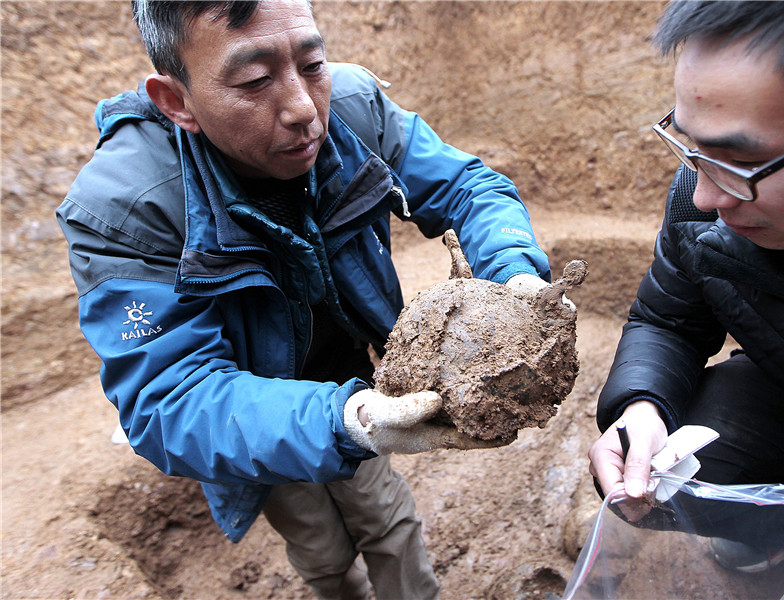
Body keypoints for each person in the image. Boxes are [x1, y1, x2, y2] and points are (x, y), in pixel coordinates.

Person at [57, 1, 558, 598]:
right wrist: (343, 423)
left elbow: (467, 187)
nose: (301, 109)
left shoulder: (352, 109)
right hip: (247, 411)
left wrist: (513, 273)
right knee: (318, 547)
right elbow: (170, 397)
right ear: (177, 101)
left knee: (387, 520)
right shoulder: (125, 209)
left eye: (312, 62)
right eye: (254, 80)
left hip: (350, 374)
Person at [588, 0, 784, 575]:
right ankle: (768, 530)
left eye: (743, 160)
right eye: (693, 148)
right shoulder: (701, 204)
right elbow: (667, 321)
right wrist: (641, 405)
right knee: (666, 472)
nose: (707, 195)